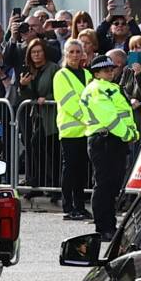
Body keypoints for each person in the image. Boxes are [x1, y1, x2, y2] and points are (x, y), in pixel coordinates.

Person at [80, 55, 140, 236]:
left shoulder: (109, 87)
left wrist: (129, 132)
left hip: (113, 139)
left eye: (112, 69)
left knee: (111, 185)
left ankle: (109, 224)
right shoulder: (97, 88)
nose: (110, 72)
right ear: (96, 73)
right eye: (106, 70)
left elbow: (121, 114)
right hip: (105, 139)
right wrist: (128, 133)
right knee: (105, 185)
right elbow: (109, 117)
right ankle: (104, 227)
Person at [53, 39, 94, 221]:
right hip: (71, 129)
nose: (75, 55)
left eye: (78, 52)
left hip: (86, 130)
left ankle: (80, 205)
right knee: (69, 170)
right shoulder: (61, 75)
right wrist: (87, 118)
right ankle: (68, 206)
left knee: (80, 171)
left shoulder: (86, 74)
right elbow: (68, 102)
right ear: (65, 54)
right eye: (72, 52)